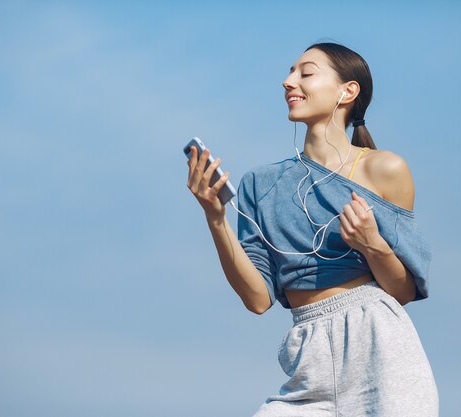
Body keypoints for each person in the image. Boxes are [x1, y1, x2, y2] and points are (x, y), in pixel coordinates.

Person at [185, 42, 438, 417]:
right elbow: (257, 299)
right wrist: (216, 216)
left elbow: (401, 291)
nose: (288, 82)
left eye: (305, 73)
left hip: (383, 351)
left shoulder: (385, 170)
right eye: (290, 73)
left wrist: (373, 246)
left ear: (347, 91)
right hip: (307, 358)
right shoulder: (261, 183)